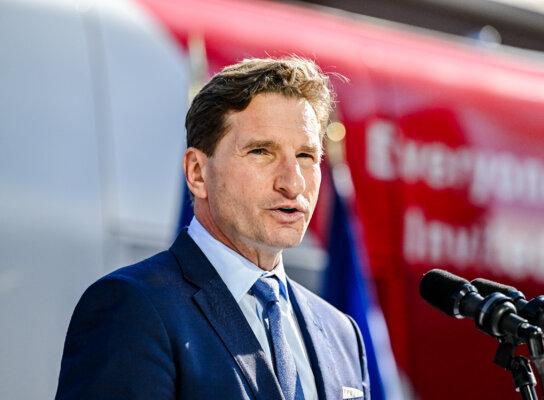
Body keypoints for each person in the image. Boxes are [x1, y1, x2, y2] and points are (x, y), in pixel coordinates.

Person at [55, 56, 370, 400]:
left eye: (307, 156)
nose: (292, 183)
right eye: (262, 151)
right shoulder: (132, 309)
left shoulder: (342, 334)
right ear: (197, 173)